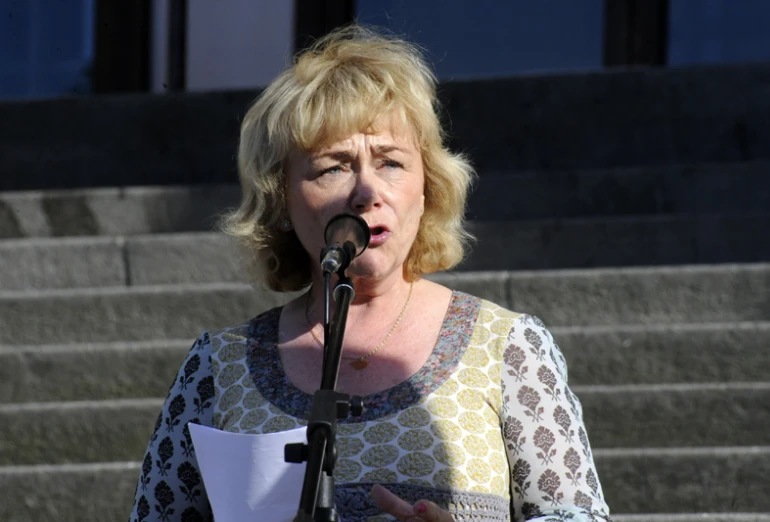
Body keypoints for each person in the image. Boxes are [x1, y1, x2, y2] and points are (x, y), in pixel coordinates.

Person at [128, 25, 612, 522]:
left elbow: (577, 516)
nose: (366, 191)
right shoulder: (218, 367)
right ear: (282, 201)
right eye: (332, 167)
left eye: (391, 163)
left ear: (426, 190)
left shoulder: (508, 347)